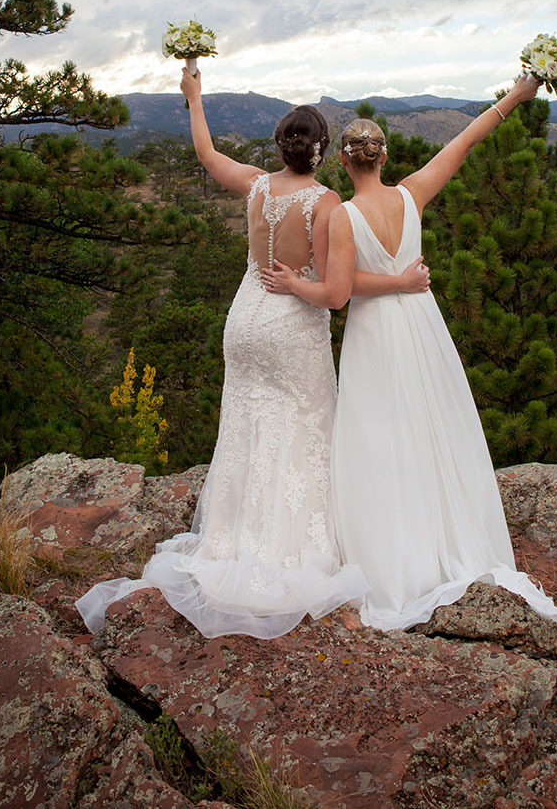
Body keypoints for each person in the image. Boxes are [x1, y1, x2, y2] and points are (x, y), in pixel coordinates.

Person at [76, 69, 422, 639]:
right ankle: (290, 548)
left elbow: (207, 154)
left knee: (246, 428)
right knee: (304, 427)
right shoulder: (326, 202)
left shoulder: (258, 186)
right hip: (288, 325)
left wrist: (194, 98)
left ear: (282, 146)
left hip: (243, 322)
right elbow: (333, 295)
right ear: (322, 152)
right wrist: (306, 285)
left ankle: (229, 539)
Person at [265, 76, 557, 633]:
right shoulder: (412, 195)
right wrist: (517, 95)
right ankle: (446, 537)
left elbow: (341, 292)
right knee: (433, 427)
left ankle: (394, 556)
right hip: (421, 326)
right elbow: (465, 141)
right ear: (384, 155)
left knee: (380, 437)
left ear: (342, 159)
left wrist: (307, 284)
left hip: (374, 334)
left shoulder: (341, 215)